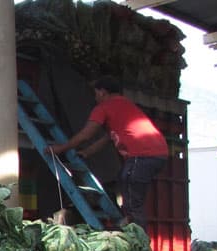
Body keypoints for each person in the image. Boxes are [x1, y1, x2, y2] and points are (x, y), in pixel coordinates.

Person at [47, 76, 170, 229]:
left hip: (142, 155)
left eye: (96, 93)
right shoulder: (126, 105)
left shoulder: (105, 107)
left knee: (131, 199)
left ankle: (138, 241)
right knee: (125, 182)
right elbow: (108, 138)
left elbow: (86, 134)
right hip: (159, 154)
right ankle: (130, 228)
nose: (95, 97)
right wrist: (87, 152)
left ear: (103, 92)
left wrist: (61, 148)